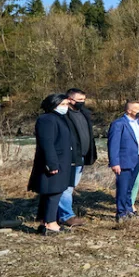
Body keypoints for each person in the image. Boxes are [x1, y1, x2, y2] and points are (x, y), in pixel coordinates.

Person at [27, 93, 76, 235]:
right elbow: (47, 144)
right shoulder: (47, 119)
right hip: (54, 163)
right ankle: (51, 224)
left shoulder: (59, 118)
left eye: (67, 104)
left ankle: (45, 222)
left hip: (61, 162)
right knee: (53, 192)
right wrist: (52, 164)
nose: (66, 107)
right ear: (53, 104)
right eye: (62, 104)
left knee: (52, 192)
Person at [57, 87, 99, 227]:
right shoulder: (62, 115)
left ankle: (62, 213)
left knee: (71, 186)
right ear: (70, 99)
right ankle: (66, 216)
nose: (82, 102)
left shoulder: (84, 113)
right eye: (79, 100)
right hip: (68, 157)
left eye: (84, 100)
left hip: (82, 157)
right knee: (66, 187)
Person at [108, 100, 139, 223]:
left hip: (137, 160)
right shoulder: (119, 124)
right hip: (124, 161)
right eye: (138, 109)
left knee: (129, 188)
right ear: (129, 110)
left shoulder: (138, 123)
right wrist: (114, 162)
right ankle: (121, 213)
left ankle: (129, 211)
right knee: (122, 188)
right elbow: (113, 144)